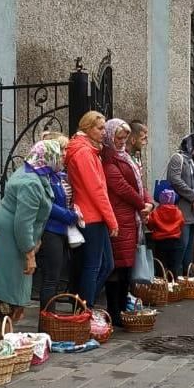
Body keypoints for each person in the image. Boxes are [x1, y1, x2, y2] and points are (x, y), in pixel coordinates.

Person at [0, 139, 58, 321]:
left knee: (12, 291)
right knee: (8, 293)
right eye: (60, 153)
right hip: (9, 238)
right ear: (49, 157)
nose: (64, 156)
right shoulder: (31, 183)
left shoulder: (32, 172)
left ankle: (5, 337)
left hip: (13, 235)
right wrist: (30, 253)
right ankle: (5, 340)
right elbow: (23, 222)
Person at [65, 112, 118, 308]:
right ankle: (84, 309)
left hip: (92, 214)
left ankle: (84, 307)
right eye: (100, 128)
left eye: (104, 128)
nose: (104, 132)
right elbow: (96, 190)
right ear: (87, 128)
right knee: (94, 266)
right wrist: (112, 219)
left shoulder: (87, 150)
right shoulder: (84, 153)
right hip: (91, 216)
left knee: (103, 265)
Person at [102, 119, 151, 322]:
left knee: (126, 267)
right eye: (118, 137)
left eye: (124, 138)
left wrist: (149, 203)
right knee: (118, 267)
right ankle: (114, 311)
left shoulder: (126, 157)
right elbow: (121, 187)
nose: (122, 142)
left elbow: (140, 184)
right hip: (119, 218)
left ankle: (122, 307)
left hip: (130, 218)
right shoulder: (108, 159)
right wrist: (142, 205)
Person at [36, 141, 78, 310]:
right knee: (50, 279)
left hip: (61, 230)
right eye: (60, 153)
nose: (63, 156)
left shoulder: (58, 176)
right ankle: (46, 324)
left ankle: (50, 323)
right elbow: (48, 205)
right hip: (50, 230)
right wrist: (70, 216)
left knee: (56, 277)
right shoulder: (44, 176)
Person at [167, 132, 194, 274]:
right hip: (182, 210)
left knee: (190, 246)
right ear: (192, 145)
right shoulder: (178, 158)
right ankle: (176, 276)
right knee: (182, 245)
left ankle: (188, 276)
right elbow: (175, 180)